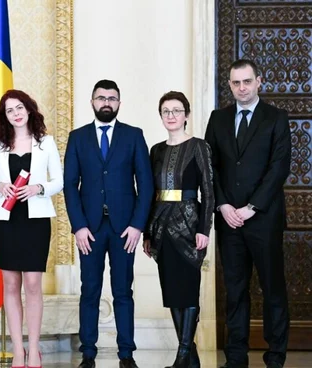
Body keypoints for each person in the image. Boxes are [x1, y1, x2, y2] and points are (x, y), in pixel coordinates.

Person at [205, 59, 291, 368]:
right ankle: (236, 357)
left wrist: (251, 207)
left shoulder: (276, 118)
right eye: (235, 82)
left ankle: (276, 356)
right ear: (229, 85)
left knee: (272, 289)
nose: (241, 87)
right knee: (236, 290)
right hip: (229, 220)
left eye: (247, 81)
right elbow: (210, 167)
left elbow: (279, 167)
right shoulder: (218, 119)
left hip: (264, 219)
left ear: (258, 82)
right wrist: (224, 205)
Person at [63, 80, 153, 368]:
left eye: (112, 98)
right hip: (89, 228)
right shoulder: (77, 137)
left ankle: (126, 354)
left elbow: (147, 185)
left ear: (119, 103)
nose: (106, 103)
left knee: (123, 292)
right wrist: (78, 226)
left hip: (124, 229)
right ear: (92, 102)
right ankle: (88, 352)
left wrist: (138, 225)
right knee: (89, 289)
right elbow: (69, 185)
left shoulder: (134, 136)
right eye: (101, 98)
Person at [0, 89, 63, 368]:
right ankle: (18, 350)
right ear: (4, 116)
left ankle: (33, 349)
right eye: (9, 110)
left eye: (20, 108)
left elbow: (59, 180)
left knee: (32, 284)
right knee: (10, 284)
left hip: (35, 220)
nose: (16, 113)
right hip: (6, 220)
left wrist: (38, 187)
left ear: (29, 110)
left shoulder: (46, 143)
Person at [143, 91, 214, 368]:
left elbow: (208, 192)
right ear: (161, 116)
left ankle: (183, 354)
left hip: (189, 225)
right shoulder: (156, 150)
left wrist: (204, 228)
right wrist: (148, 232)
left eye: (176, 110)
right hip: (160, 226)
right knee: (172, 291)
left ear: (186, 114)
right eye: (166, 111)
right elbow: (149, 193)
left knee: (188, 290)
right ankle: (189, 356)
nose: (171, 116)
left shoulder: (199, 146)